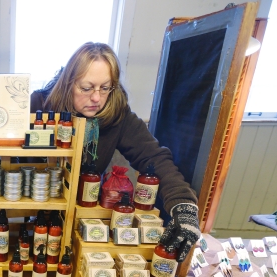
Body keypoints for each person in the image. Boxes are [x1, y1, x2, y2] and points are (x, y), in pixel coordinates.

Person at [31, 42, 200, 263]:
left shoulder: (117, 113)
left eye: (105, 88)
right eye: (86, 87)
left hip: (79, 215)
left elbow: (154, 156)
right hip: (32, 212)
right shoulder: (40, 104)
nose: (96, 99)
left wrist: (183, 203)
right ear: (68, 83)